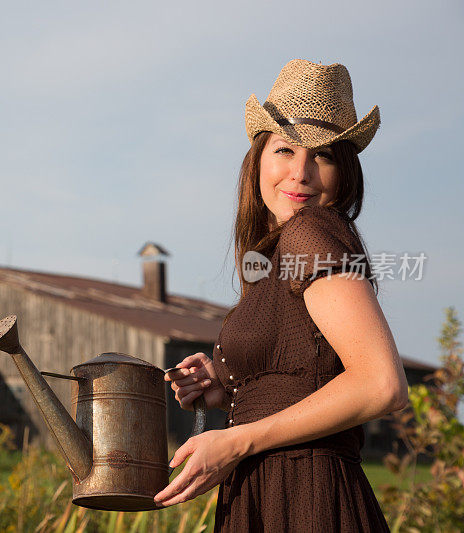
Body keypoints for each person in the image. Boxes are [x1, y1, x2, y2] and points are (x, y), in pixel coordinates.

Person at [153, 59, 408, 532]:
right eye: (286, 150)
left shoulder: (312, 234)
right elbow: (310, 373)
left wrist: (235, 441)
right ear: (258, 161)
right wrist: (230, 385)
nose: (301, 172)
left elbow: (382, 384)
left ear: (344, 172)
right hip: (269, 492)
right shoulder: (275, 261)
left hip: (307, 497)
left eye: (324, 155)